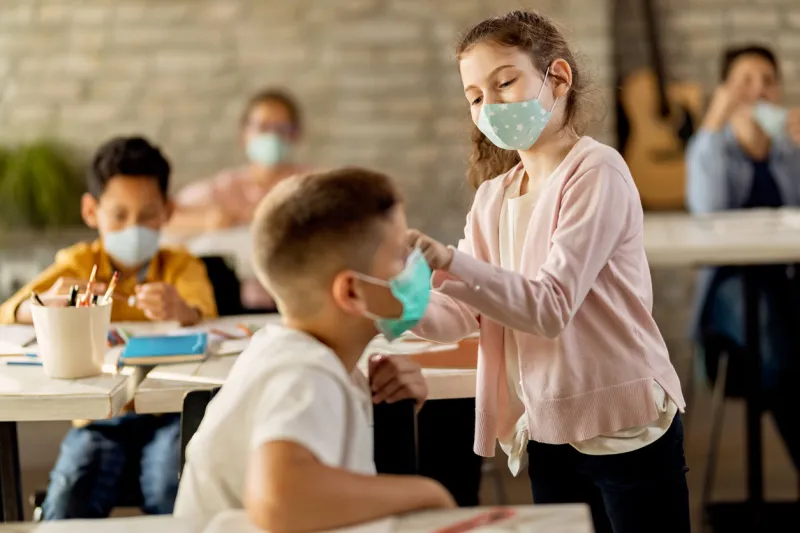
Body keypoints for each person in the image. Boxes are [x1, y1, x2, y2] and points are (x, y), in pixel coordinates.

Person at [407, 11, 690, 533]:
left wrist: (449, 262)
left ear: (557, 77)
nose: (489, 106)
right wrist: (396, 301)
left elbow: (549, 306)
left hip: (625, 424)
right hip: (546, 427)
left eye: (505, 82)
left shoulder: (596, 172)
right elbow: (461, 310)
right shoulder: (494, 197)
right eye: (474, 96)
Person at [174, 168, 455, 530]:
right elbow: (279, 499)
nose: (416, 267)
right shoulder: (303, 370)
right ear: (352, 292)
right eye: (400, 256)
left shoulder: (302, 354)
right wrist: (425, 493)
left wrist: (384, 407)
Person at [0, 136, 218, 518]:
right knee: (69, 494)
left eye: (148, 214)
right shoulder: (79, 264)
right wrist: (50, 301)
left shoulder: (181, 266)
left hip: (169, 416)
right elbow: (10, 311)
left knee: (174, 486)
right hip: (100, 420)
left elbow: (209, 316)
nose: (134, 227)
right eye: (119, 215)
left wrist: (184, 310)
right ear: (91, 210)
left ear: (167, 212)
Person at [686, 45, 800, 469]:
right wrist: (714, 125)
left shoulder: (790, 150)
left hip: (789, 280)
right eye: (744, 81)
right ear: (725, 90)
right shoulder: (713, 147)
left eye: (767, 80)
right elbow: (708, 209)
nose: (758, 90)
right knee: (776, 347)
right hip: (729, 287)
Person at [169, 88, 309, 311]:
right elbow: (165, 217)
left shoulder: (310, 185)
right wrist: (208, 221)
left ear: (296, 134)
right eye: (262, 127)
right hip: (236, 306)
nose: (272, 136)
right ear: (244, 134)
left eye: (282, 129)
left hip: (302, 302)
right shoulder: (225, 187)